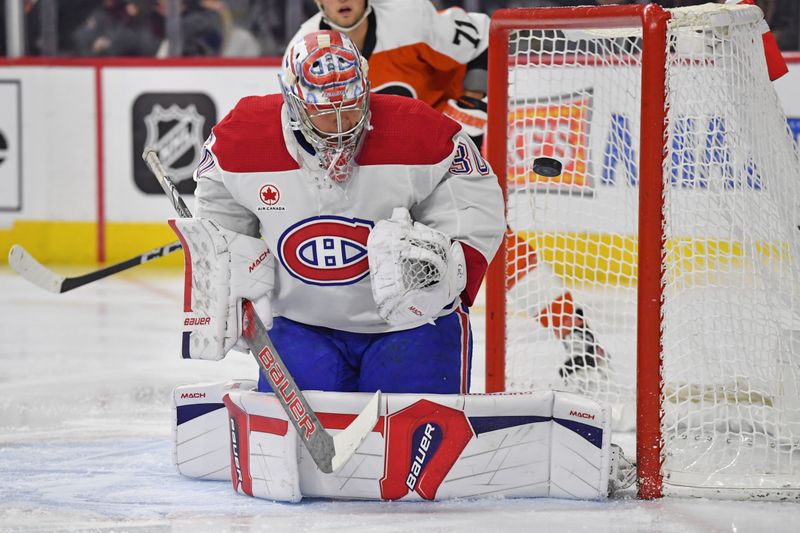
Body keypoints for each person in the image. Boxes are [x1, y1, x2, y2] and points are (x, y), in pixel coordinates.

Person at [293, 0, 614, 389]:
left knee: (490, 241)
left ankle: (577, 337)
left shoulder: (411, 21)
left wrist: (473, 102)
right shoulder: (306, 47)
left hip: (442, 158)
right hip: (378, 174)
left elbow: (484, 39)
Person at [170, 29, 505, 394]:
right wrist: (229, 279)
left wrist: (452, 269)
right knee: (295, 449)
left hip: (414, 325)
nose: (343, 121)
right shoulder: (243, 138)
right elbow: (219, 209)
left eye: (351, 104)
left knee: (419, 434)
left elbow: (475, 201)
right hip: (300, 323)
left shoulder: (419, 129)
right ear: (294, 100)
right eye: (326, 110)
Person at [292, 0, 490, 147]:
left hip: (445, 127)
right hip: (382, 152)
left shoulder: (410, 19)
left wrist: (471, 101)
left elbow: (483, 34)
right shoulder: (300, 51)